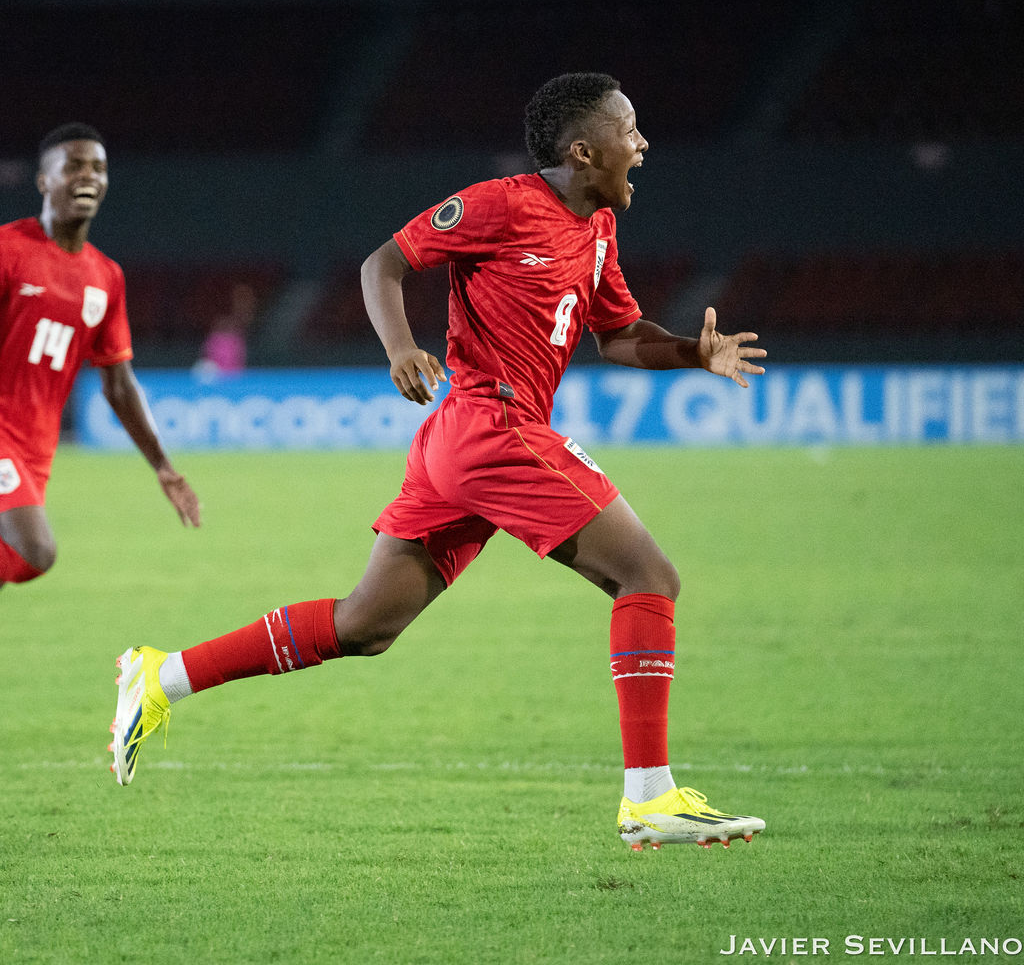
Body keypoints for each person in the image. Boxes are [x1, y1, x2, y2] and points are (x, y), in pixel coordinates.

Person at [110, 74, 767, 851]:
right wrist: (400, 350)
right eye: (631, 129)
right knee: (649, 577)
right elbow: (381, 263)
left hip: (470, 443)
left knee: (366, 625)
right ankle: (650, 799)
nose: (644, 143)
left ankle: (162, 676)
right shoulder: (501, 203)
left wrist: (694, 352)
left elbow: (617, 334)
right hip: (491, 427)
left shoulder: (596, 230)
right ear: (585, 150)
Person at [0, 124, 201, 589]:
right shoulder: (9, 251)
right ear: (44, 181)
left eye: (98, 168)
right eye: (73, 166)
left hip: (35, 447)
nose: (88, 175)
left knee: (16, 556)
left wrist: (163, 467)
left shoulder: (105, 276)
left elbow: (119, 383)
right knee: (36, 551)